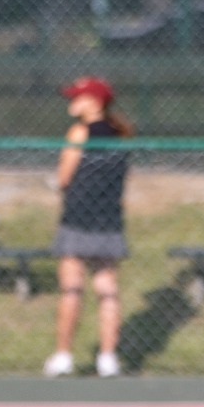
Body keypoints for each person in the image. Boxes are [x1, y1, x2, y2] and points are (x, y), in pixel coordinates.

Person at [44, 76, 133, 378]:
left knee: (71, 289)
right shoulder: (122, 135)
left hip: (78, 219)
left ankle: (63, 355)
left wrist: (58, 182)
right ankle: (108, 358)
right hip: (109, 220)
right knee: (107, 288)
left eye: (79, 97)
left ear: (94, 101)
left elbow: (63, 178)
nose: (72, 102)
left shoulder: (79, 132)